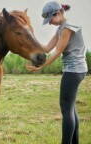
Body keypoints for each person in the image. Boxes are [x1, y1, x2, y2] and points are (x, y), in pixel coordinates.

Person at [26, 1, 88, 144]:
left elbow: (57, 51)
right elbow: (47, 48)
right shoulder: (61, 28)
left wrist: (40, 67)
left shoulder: (67, 28)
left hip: (74, 70)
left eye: (50, 19)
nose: (49, 23)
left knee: (66, 109)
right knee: (70, 108)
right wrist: (30, 38)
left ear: (58, 13)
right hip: (74, 70)